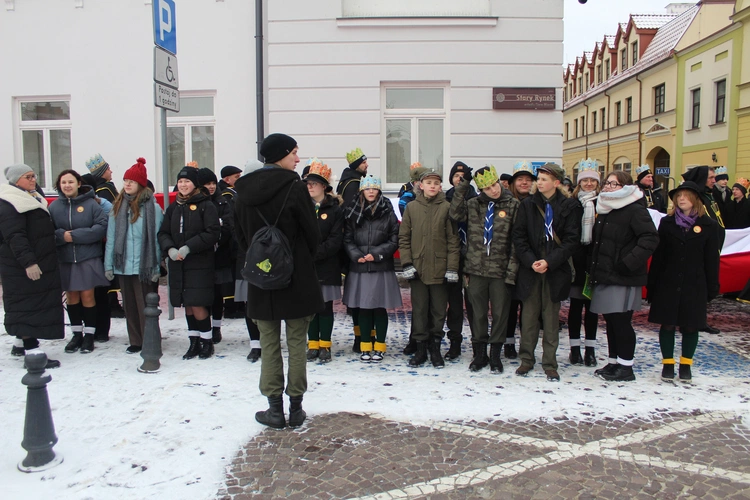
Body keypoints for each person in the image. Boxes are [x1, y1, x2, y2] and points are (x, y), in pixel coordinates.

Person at [234, 133, 323, 429]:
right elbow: (313, 234)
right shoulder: (295, 188)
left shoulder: (242, 190)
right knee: (297, 343)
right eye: (294, 153)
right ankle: (295, 408)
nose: (298, 159)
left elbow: (239, 236)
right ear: (281, 155)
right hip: (296, 278)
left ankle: (274, 410)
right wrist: (297, 257)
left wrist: (262, 259)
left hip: (261, 277)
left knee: (269, 343)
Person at [512, 163, 580, 381]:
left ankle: (550, 362)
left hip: (554, 269)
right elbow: (519, 238)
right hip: (531, 269)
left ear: (556, 182)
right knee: (529, 317)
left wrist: (549, 262)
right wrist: (532, 261)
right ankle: (526, 360)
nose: (538, 182)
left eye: (543, 179)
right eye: (538, 179)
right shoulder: (528, 205)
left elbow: (571, 240)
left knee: (551, 319)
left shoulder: (570, 206)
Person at [589, 171, 659, 382]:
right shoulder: (606, 208)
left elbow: (650, 238)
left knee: (621, 321)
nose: (608, 187)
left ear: (626, 187)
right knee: (610, 320)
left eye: (614, 184)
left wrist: (628, 262)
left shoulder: (634, 209)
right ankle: (613, 362)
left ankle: (626, 366)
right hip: (606, 274)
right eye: (607, 183)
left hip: (623, 275)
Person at [647, 181, 719, 383]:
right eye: (678, 196)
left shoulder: (708, 226)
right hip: (668, 282)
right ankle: (667, 363)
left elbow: (711, 259)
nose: (681, 199)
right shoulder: (667, 223)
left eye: (686, 196)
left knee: (690, 325)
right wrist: (652, 285)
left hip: (694, 283)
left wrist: (712, 286)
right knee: (667, 324)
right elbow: (659, 257)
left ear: (695, 200)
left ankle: (686, 364)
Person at [449, 165, 519, 373]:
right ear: (480, 190)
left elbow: (516, 241)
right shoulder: (473, 205)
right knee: (477, 314)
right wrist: (463, 184)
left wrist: (512, 271)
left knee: (500, 314)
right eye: (487, 188)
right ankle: (480, 353)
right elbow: (454, 213)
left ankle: (495, 354)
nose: (494, 190)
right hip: (475, 269)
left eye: (494, 185)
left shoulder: (513, 204)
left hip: (500, 270)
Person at [0, 164, 64, 368]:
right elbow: (15, 236)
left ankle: (20, 343)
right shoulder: (11, 202)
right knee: (27, 305)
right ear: (16, 180)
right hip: (21, 266)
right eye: (27, 176)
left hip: (35, 261)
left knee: (27, 303)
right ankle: (32, 350)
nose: (33, 179)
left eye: (33, 175)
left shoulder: (30, 197)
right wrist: (29, 263)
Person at [158, 166, 221, 360]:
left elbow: (212, 233)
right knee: (187, 303)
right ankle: (193, 341)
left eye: (187, 181)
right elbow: (163, 232)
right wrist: (169, 248)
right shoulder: (173, 207)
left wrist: (188, 247)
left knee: (198, 303)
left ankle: (206, 341)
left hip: (199, 262)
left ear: (195, 184)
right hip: (178, 263)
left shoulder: (206, 205)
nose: (183, 185)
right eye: (180, 181)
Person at [400, 169, 459, 368]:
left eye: (436, 183)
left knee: (438, 311)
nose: (432, 186)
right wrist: (407, 263)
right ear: (421, 185)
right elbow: (404, 238)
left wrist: (452, 267)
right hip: (417, 268)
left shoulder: (447, 207)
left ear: (440, 186)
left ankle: (435, 347)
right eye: (429, 182)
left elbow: (453, 240)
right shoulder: (412, 208)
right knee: (419, 309)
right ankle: (421, 348)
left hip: (440, 269)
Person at [104, 158, 163, 353]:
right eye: (125, 181)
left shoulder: (152, 208)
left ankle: (150, 338)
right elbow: (111, 239)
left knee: (145, 306)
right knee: (129, 306)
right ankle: (135, 341)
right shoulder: (118, 207)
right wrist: (109, 265)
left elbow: (156, 239)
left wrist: (155, 267)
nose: (127, 184)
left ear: (140, 184)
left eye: (132, 181)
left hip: (143, 266)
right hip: (123, 266)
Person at [49, 169, 110, 355]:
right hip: (66, 259)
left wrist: (74, 236)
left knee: (88, 296)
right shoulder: (54, 207)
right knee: (72, 296)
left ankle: (90, 334)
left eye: (71, 182)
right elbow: (48, 231)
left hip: (87, 257)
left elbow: (101, 227)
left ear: (78, 184)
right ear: (59, 185)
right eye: (63, 182)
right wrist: (62, 236)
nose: (67, 185)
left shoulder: (91, 204)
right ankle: (76, 334)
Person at [344, 174, 402, 363]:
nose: (371, 191)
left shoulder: (388, 211)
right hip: (359, 266)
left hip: (380, 266)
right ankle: (365, 346)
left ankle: (380, 346)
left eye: (374, 188)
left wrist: (376, 254)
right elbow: (347, 238)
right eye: (367, 188)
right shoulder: (352, 211)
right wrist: (355, 254)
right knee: (363, 309)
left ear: (379, 190)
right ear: (362, 190)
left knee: (378, 308)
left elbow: (394, 239)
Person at [304, 161, 344, 364]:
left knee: (325, 306)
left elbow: (336, 240)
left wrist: (315, 253)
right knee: (310, 307)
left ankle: (325, 344)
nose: (309, 186)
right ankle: (312, 344)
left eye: (314, 183)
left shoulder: (335, 210)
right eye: (308, 183)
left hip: (327, 265)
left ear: (324, 186)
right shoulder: (302, 208)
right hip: (306, 266)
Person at [681, 166, 725, 335]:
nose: (714, 180)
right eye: (711, 177)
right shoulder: (697, 199)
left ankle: (699, 319)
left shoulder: (709, 196)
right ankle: (690, 320)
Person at [443, 161, 478, 361]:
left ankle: (477, 343)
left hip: (472, 259)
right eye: (456, 176)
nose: (459, 179)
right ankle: (454, 342)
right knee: (454, 305)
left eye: (463, 176)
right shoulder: (446, 199)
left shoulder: (476, 198)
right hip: (453, 259)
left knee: (474, 305)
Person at [567, 159, 600, 367]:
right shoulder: (572, 204)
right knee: (575, 307)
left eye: (592, 180)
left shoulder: (603, 203)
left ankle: (590, 349)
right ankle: (574, 349)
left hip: (595, 262)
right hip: (576, 261)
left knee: (592, 309)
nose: (589, 184)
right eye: (585, 180)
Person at [336, 148, 369, 351]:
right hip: (355, 240)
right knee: (357, 289)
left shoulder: (347, 179)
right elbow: (352, 212)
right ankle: (360, 336)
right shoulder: (353, 184)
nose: (367, 165)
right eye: (364, 162)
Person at [197, 168, 235, 345]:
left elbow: (229, 226)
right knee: (203, 293)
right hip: (201, 255)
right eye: (207, 184)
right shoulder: (197, 203)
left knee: (218, 293)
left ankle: (216, 327)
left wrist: (218, 237)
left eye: (213, 183)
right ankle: (202, 326)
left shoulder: (223, 202)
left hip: (220, 254)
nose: (211, 187)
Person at [234, 158, 266, 362]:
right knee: (250, 303)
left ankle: (267, 340)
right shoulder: (239, 199)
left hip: (267, 256)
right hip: (247, 256)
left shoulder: (269, 197)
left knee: (265, 302)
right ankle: (255, 344)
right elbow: (235, 228)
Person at [505, 161, 537, 358]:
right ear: (513, 182)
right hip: (508, 261)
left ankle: (527, 344)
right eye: (520, 179)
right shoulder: (506, 202)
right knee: (509, 306)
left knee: (528, 307)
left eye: (528, 180)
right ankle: (508, 342)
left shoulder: (537, 203)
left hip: (528, 260)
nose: (524, 183)